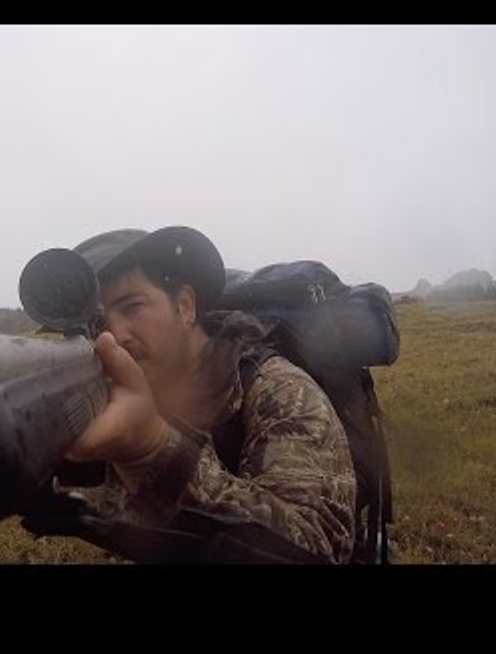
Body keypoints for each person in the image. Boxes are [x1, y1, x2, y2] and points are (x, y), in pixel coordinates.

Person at [52, 226, 357, 563]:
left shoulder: (280, 392)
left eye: (132, 307)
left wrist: (152, 451)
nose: (114, 336)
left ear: (184, 306)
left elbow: (316, 547)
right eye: (95, 324)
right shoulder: (110, 396)